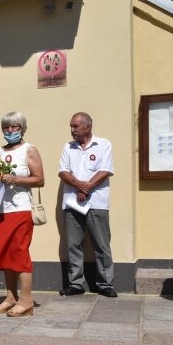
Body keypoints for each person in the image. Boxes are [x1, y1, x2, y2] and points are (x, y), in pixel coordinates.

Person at [0, 111, 45, 317]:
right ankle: (10, 297)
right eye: (6, 127)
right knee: (4, 253)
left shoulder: (30, 150)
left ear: (22, 128)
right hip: (0, 209)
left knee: (19, 253)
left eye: (14, 127)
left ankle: (26, 301)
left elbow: (39, 180)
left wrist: (15, 180)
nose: (10, 131)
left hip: (20, 208)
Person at [58, 112, 116, 297]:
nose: (72, 130)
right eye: (71, 126)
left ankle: (105, 283)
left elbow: (105, 171)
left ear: (88, 127)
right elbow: (63, 172)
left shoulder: (103, 144)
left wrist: (86, 188)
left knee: (101, 244)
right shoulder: (68, 147)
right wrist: (80, 186)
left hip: (97, 202)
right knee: (73, 244)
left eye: (75, 126)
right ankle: (76, 283)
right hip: (72, 202)